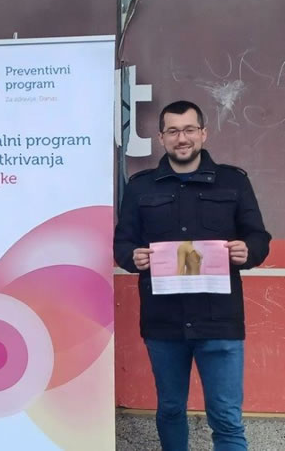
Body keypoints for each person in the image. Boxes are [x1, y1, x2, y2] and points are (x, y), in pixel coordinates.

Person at [114, 100, 271, 451]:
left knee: (226, 417)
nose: (181, 138)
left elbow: (258, 237)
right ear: (161, 137)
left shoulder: (233, 181)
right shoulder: (141, 188)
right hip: (164, 322)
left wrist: (248, 250)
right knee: (170, 410)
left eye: (188, 129)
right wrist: (132, 256)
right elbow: (123, 243)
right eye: (172, 131)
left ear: (203, 133)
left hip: (220, 322)